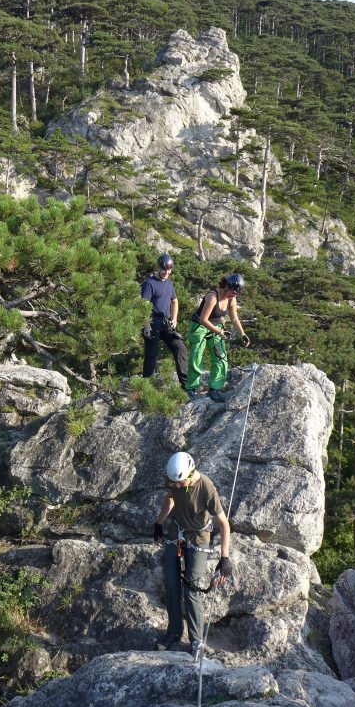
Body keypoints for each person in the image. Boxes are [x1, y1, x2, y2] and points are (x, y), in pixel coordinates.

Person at [153, 451, 231, 655]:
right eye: (173, 483)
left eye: (179, 483)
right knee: (171, 584)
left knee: (192, 588)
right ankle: (174, 632)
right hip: (177, 533)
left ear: (190, 473)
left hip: (198, 537)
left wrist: (225, 557)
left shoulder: (206, 487)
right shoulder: (176, 480)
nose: (175, 486)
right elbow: (170, 499)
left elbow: (223, 523)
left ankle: (196, 640)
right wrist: (159, 523)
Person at [186, 273, 249, 403]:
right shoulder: (212, 297)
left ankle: (214, 389)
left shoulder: (232, 299)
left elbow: (234, 318)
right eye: (232, 292)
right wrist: (219, 332)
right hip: (199, 326)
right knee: (196, 356)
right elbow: (203, 320)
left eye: (236, 294)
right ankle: (192, 388)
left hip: (216, 326)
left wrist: (242, 334)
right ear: (226, 286)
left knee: (221, 358)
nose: (234, 295)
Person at [140, 253, 188, 389]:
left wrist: (174, 318)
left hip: (166, 323)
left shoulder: (169, 283)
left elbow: (175, 301)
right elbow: (143, 306)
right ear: (158, 267)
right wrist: (146, 326)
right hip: (152, 323)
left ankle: (185, 385)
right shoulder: (149, 284)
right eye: (164, 269)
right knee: (151, 355)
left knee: (180, 348)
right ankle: (146, 387)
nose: (166, 272)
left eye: (169, 270)